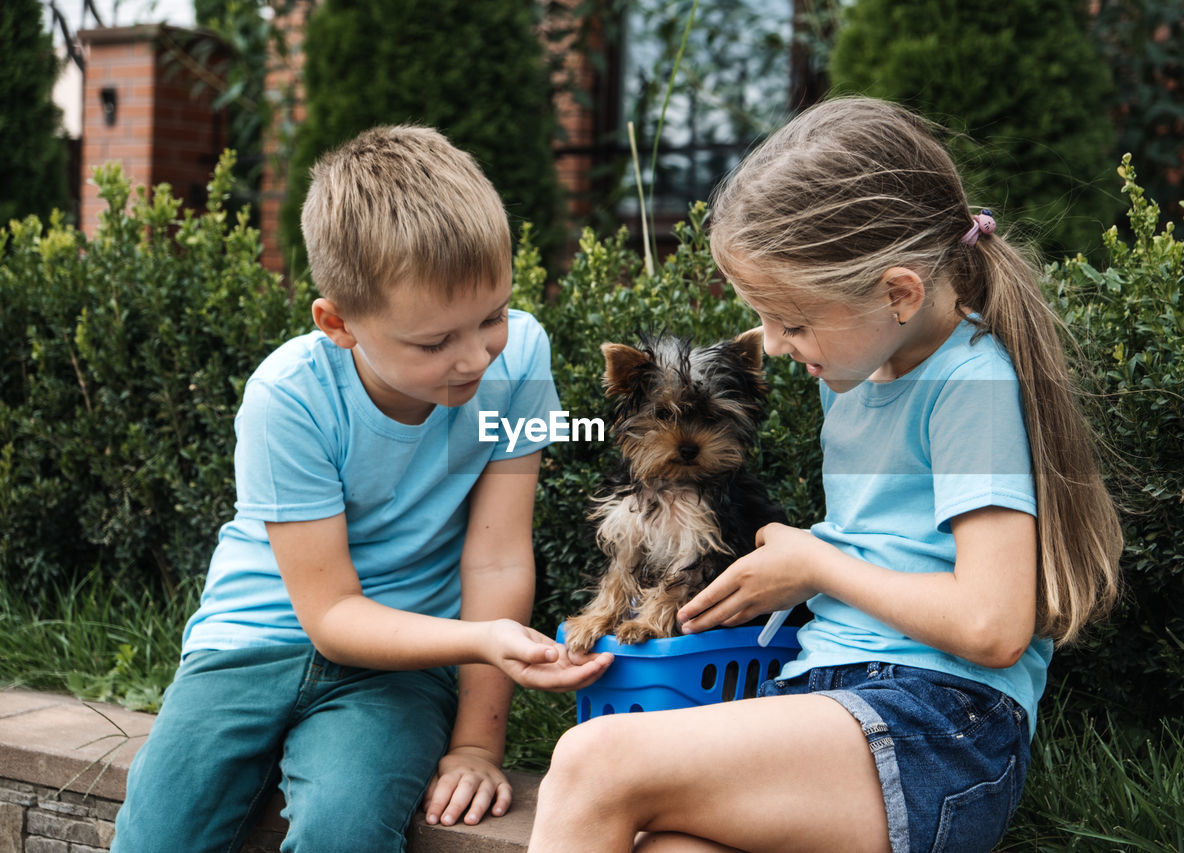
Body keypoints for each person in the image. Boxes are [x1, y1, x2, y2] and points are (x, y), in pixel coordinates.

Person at [528, 97, 1122, 853]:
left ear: (898, 293)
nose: (771, 346)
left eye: (794, 321)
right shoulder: (860, 373)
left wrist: (815, 562)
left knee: (593, 760)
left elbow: (993, 626)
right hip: (826, 689)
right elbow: (892, 548)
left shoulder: (968, 384)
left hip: (937, 724)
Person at [111, 125, 611, 853]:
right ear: (338, 322)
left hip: (401, 670)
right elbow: (331, 614)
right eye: (435, 342)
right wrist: (481, 639)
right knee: (157, 838)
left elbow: (498, 557)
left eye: (492, 316)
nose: (475, 357)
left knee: (345, 831)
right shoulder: (288, 397)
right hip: (250, 643)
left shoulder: (522, 358)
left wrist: (477, 742)